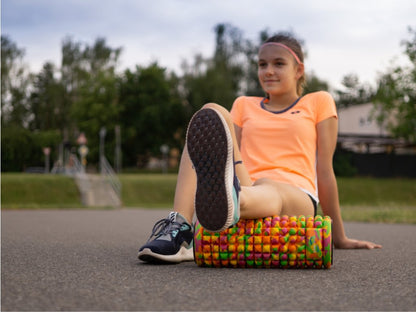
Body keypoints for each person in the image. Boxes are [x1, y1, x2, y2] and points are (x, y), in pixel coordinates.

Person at [137, 32, 382, 264]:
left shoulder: (318, 102)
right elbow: (230, 152)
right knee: (209, 114)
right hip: (247, 184)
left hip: (295, 195)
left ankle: (230, 202)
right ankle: (180, 229)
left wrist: (339, 237)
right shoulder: (244, 104)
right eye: (262, 64)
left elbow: (325, 170)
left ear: (299, 70)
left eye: (278, 63)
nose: (269, 71)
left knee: (270, 187)